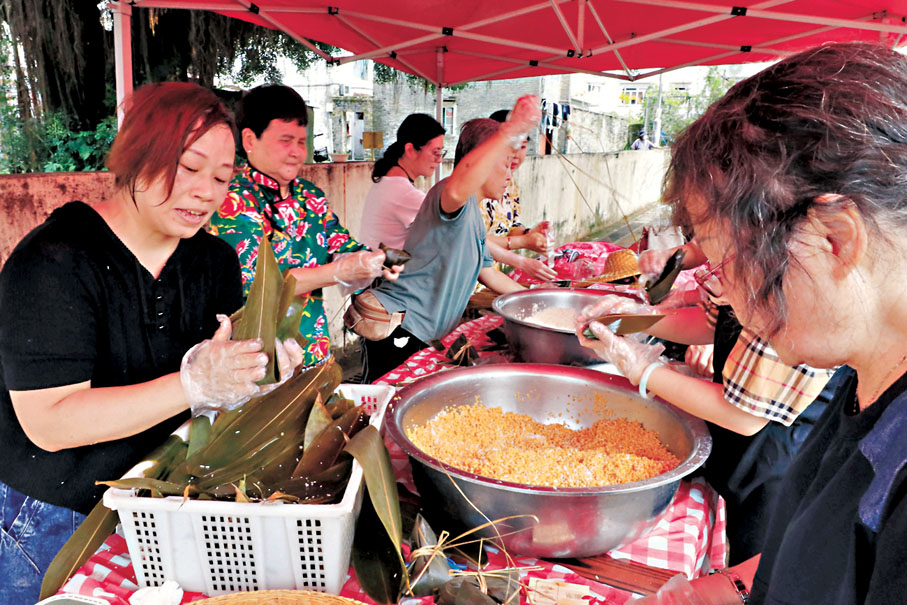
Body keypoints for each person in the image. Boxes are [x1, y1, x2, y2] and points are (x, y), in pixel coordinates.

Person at [623, 41, 907, 604]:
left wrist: (642, 367)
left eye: (727, 262)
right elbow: (816, 549)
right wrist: (726, 588)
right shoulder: (863, 374)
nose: (726, 293)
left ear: (834, 238)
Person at [0, 82, 303, 605]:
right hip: (52, 514)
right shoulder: (54, 261)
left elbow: (223, 374)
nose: (206, 192)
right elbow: (50, 423)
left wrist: (259, 372)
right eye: (189, 167)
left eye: (221, 177)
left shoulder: (214, 262)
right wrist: (193, 383)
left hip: (158, 499)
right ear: (137, 157)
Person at [578, 239, 838, 564]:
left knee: (759, 568)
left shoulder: (795, 281)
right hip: (740, 451)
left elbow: (744, 416)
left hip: (780, 463)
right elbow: (711, 323)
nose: (710, 269)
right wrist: (640, 318)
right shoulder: (745, 253)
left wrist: (643, 370)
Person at [209, 84, 403, 368]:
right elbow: (261, 285)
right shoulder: (233, 201)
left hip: (315, 350)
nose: (297, 152)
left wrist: (377, 261)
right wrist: (339, 272)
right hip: (258, 361)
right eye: (285, 141)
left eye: (301, 142)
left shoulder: (310, 195)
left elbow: (341, 245)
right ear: (250, 139)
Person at [357, 97, 540, 383]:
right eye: (504, 164)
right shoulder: (450, 198)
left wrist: (538, 303)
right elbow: (459, 186)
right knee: (382, 402)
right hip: (401, 329)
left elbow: (489, 272)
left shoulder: (475, 216)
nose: (509, 175)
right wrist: (510, 129)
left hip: (427, 334)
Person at [479, 109, 556, 283]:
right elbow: (474, 242)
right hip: (472, 281)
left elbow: (510, 225)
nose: (515, 155)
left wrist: (531, 235)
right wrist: (522, 242)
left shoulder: (509, 181)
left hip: (493, 277)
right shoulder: (472, 184)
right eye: (510, 145)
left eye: (522, 146)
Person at [359, 113, 446, 250]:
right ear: (410, 150)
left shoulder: (388, 181)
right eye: (435, 152)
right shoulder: (404, 193)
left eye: (441, 153)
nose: (439, 159)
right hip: (385, 263)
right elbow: (451, 229)